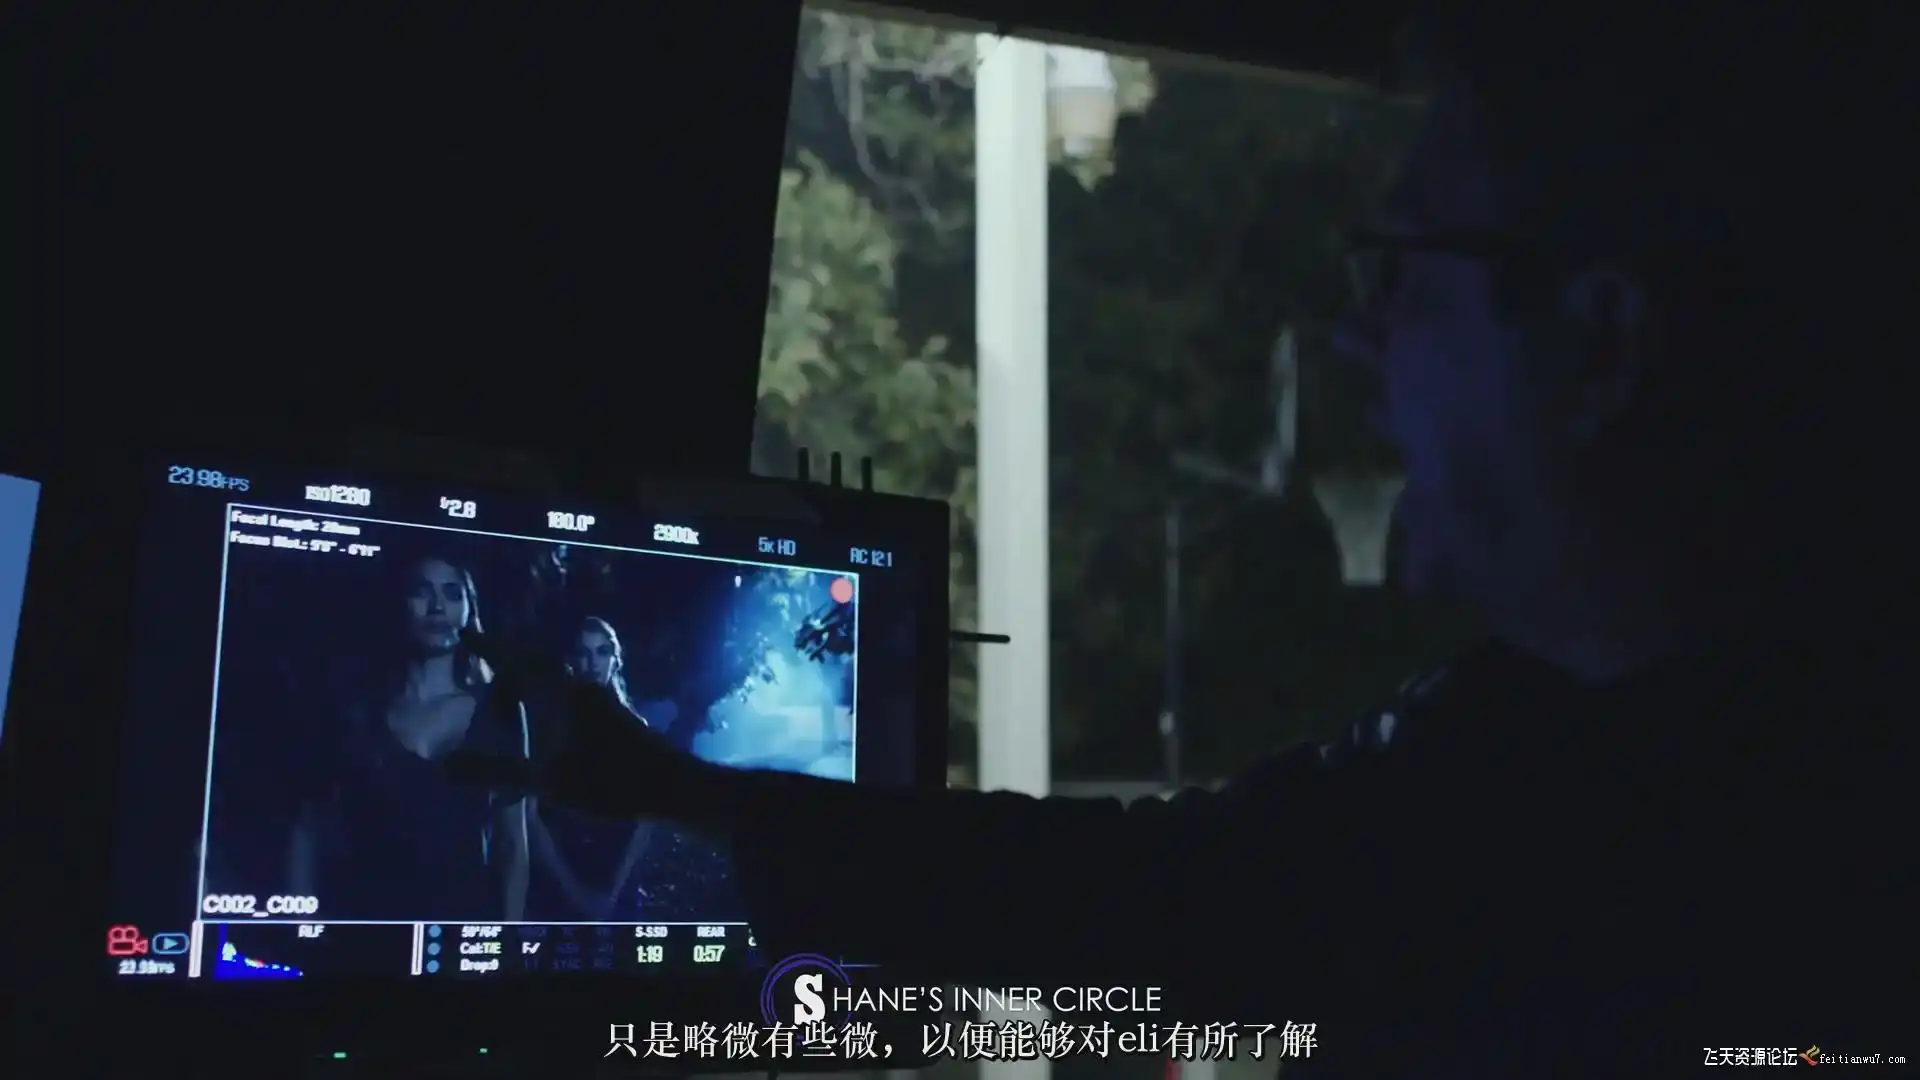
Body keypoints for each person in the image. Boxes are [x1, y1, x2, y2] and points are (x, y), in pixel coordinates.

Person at [452, 6, 1911, 1072]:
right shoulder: (1526, 749)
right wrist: (674, 788)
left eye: (1407, 274)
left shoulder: (1611, 810)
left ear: (1602, 342)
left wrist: (670, 792)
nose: (1360, 341)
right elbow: (1157, 896)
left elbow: (1152, 904)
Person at [292, 554, 530, 922]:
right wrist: (301, 926)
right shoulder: (359, 706)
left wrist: (508, 940)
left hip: (461, 930)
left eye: (452, 593)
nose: (437, 607)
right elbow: (308, 827)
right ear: (400, 603)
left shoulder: (501, 711)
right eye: (423, 591)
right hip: (364, 927)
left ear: (469, 608)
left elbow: (513, 844)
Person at [525, 617, 659, 918]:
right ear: (571, 659)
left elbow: (647, 820)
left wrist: (611, 894)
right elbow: (529, 816)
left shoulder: (635, 730)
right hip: (555, 885)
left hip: (616, 888)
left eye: (602, 651)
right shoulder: (546, 727)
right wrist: (574, 891)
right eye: (584, 652)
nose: (593, 662)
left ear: (615, 660)